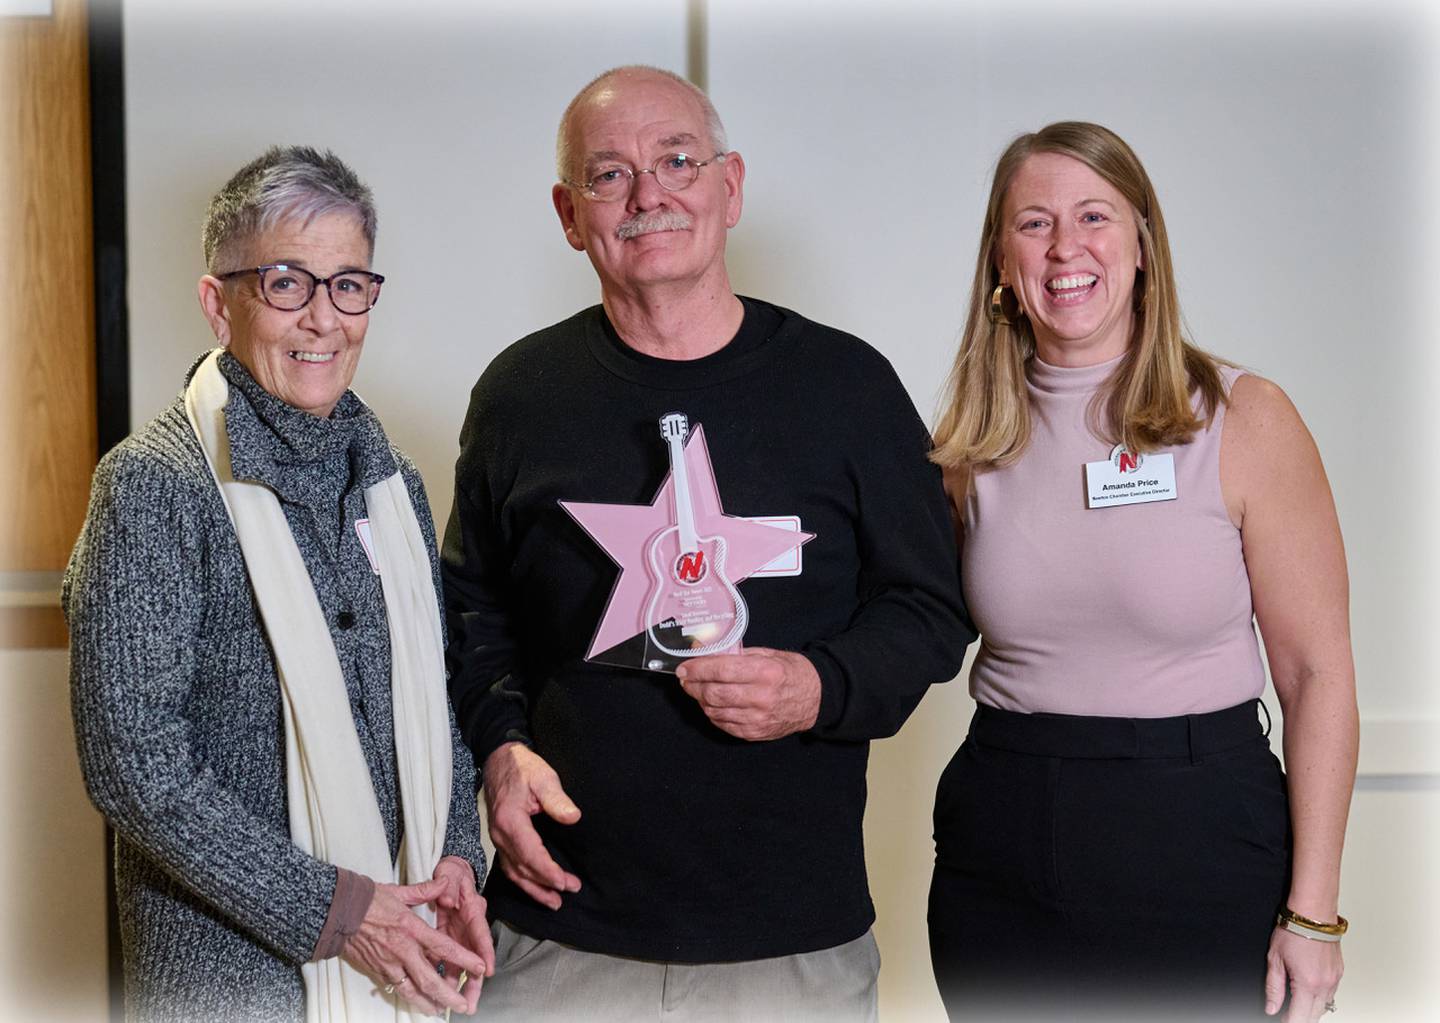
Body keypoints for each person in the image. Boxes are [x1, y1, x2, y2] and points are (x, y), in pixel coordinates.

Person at [442, 66, 972, 1021]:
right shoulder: (520, 394)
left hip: (791, 945)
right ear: (570, 214)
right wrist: (499, 745)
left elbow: (931, 608)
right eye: (608, 176)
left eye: (676, 160)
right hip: (556, 934)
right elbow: (471, 611)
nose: (648, 195)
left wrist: (821, 685)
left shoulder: (848, 387)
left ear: (729, 188)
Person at [927, 121, 1358, 1022]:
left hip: (1201, 836)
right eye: (1033, 223)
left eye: (1094, 216)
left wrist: (1313, 914)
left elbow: (1318, 678)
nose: (1066, 247)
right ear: (1001, 263)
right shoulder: (968, 448)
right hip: (1003, 841)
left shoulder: (1245, 418)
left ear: (1143, 244)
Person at [65, 146, 494, 1022]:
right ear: (219, 304)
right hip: (230, 977)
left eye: (348, 285)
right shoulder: (154, 483)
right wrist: (340, 915)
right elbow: (133, 765)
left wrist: (457, 855)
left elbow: (437, 705)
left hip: (406, 948)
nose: (323, 319)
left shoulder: (394, 480)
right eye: (287, 283)